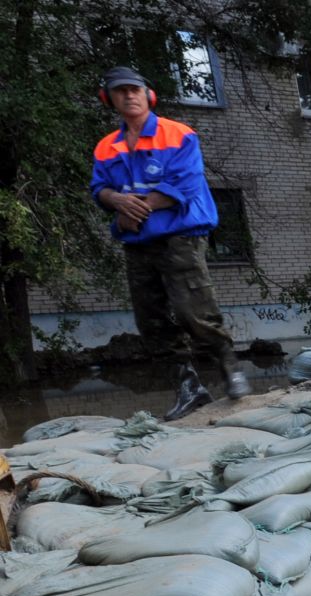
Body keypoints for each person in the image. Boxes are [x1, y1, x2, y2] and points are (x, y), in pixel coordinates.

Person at [90, 66, 251, 421]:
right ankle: (188, 388)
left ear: (149, 95)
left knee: (194, 310)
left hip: (180, 238)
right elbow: (99, 188)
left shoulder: (178, 134)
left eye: (135, 89)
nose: (129, 96)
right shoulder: (106, 147)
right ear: (110, 99)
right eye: (120, 92)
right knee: (151, 321)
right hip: (138, 243)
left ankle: (231, 370)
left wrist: (137, 210)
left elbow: (186, 185)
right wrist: (116, 202)